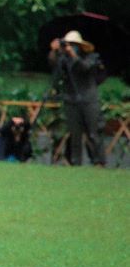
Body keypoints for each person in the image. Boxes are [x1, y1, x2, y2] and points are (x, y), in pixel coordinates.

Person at [49, 30, 109, 166]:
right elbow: (55, 67)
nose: (70, 46)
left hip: (89, 99)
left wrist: (73, 54)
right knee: (74, 134)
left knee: (93, 133)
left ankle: (99, 161)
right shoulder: (65, 60)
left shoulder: (91, 57)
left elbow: (84, 68)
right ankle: (75, 162)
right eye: (68, 44)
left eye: (73, 44)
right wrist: (55, 51)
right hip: (71, 99)